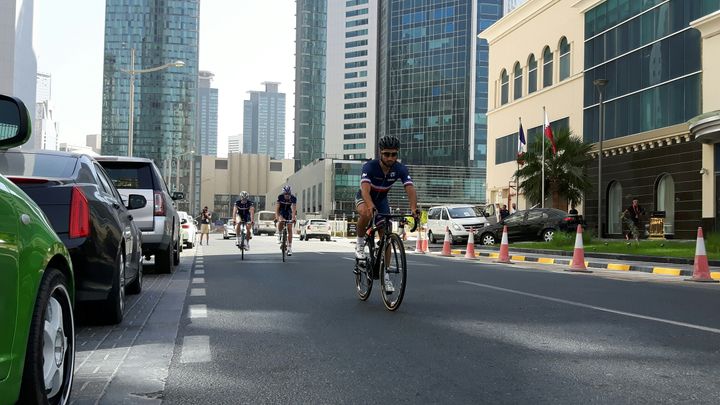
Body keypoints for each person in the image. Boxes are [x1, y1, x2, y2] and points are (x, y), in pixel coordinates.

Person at [355, 135, 419, 292]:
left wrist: (413, 208)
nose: (390, 158)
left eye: (394, 154)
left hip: (382, 200)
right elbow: (365, 189)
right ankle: (359, 244)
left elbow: (409, 188)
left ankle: (385, 276)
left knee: (387, 235)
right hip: (365, 197)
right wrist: (370, 205)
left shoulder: (400, 169)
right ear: (380, 153)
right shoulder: (369, 167)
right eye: (386, 154)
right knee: (365, 213)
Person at [275, 185, 297, 255]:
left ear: (290, 193)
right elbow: (277, 208)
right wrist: (277, 217)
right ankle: (279, 234)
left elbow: (294, 209)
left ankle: (289, 247)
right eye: (285, 194)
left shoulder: (293, 198)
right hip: (281, 211)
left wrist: (293, 217)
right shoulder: (280, 197)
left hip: (288, 211)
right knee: (281, 221)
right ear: (283, 193)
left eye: (288, 194)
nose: (287, 195)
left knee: (290, 229)